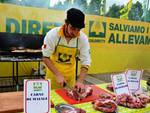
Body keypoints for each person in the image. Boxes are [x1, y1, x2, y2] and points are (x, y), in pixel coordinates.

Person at [42, 8, 91, 90]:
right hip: (53, 77)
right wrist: (58, 75)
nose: (75, 33)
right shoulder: (53, 34)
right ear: (66, 23)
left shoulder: (83, 39)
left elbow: (86, 61)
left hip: (70, 78)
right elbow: (45, 57)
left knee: (70, 100)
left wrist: (80, 81)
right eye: (72, 28)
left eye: (78, 30)